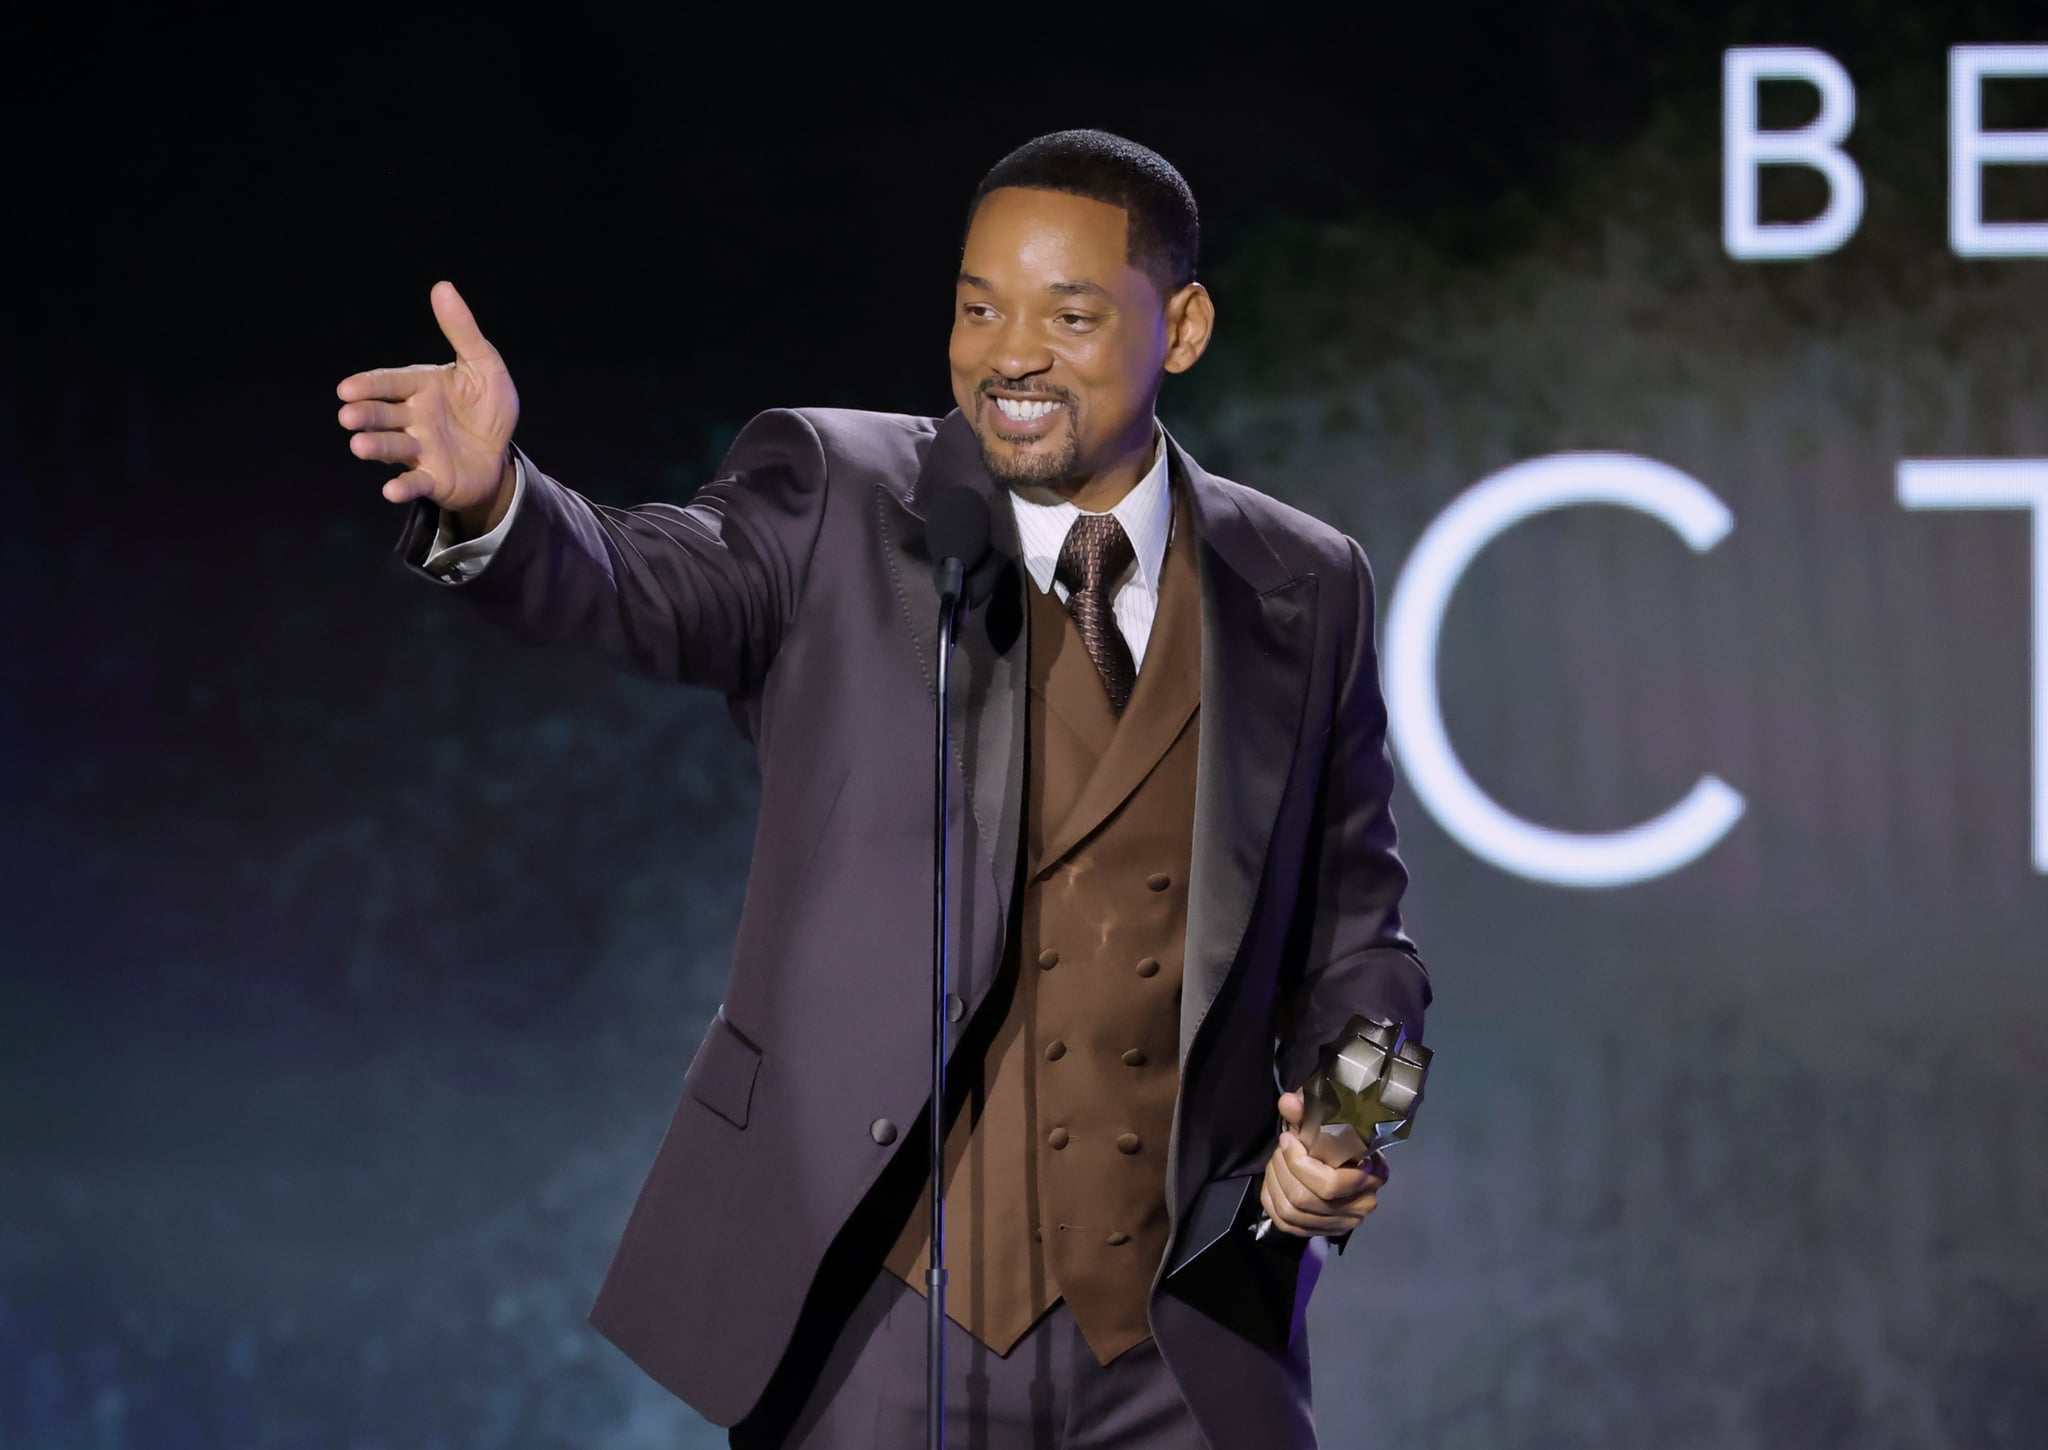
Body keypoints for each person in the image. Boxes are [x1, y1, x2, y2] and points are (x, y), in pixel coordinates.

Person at [337, 129, 1431, 1450]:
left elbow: (1359, 931)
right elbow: (643, 585)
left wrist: (1347, 1130)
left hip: (1174, 1353)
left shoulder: (1304, 584)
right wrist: (505, 506)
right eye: (980, 306)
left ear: (1182, 326)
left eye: (1067, 314)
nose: (1009, 352)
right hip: (878, 1323)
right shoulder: (840, 495)